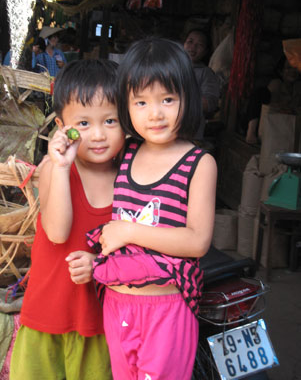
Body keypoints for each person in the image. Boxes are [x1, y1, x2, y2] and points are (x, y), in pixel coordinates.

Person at [85, 37, 217, 380]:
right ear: (125, 106)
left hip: (166, 308)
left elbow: (197, 242)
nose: (155, 113)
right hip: (117, 305)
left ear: (188, 98)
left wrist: (129, 230)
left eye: (167, 99)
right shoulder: (125, 152)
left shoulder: (199, 163)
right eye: (140, 102)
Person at [9, 59, 125, 380]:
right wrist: (60, 166)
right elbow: (58, 232)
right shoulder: (54, 169)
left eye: (111, 120)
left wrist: (98, 263)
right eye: (84, 124)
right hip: (48, 312)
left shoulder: (131, 178)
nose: (99, 135)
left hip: (99, 321)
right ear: (63, 126)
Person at [183, 28, 220, 124]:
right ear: (183, 44)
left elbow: (210, 103)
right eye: (190, 41)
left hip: (189, 131)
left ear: (206, 51)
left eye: (199, 45)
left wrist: (178, 101)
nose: (193, 47)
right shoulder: (170, 68)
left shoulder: (206, 73)